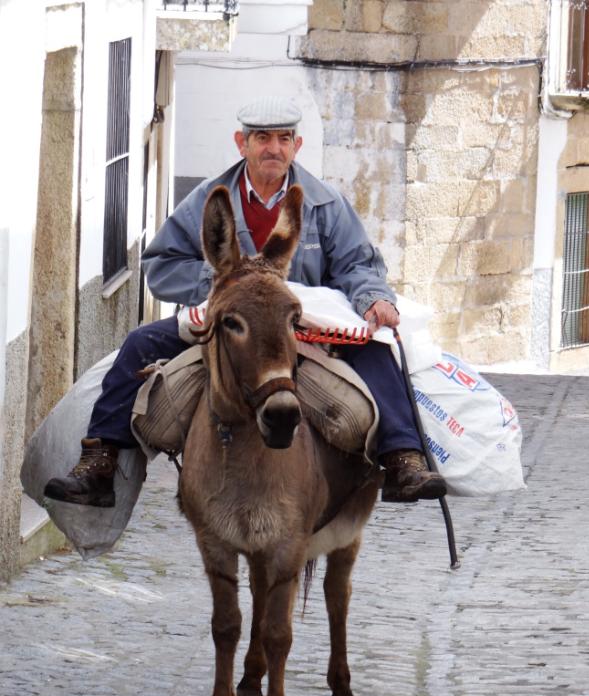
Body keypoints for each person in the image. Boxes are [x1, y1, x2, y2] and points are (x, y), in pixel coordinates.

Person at [44, 95, 446, 508]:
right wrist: (224, 283)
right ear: (242, 143)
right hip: (229, 324)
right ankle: (100, 462)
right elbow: (162, 264)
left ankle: (403, 458)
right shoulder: (206, 200)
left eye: (284, 139)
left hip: (301, 327)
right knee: (138, 345)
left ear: (296, 146)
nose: (274, 148)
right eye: (263, 138)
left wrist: (373, 298)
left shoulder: (326, 204)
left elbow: (357, 264)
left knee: (378, 350)